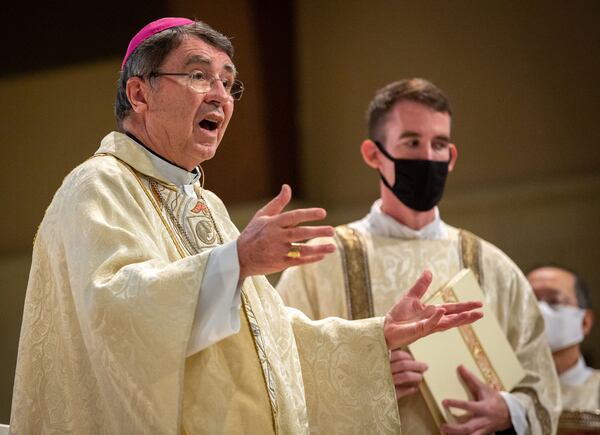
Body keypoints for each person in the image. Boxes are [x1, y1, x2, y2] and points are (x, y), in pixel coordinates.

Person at [9, 19, 483, 435]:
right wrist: (236, 260)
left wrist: (376, 336)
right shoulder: (96, 187)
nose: (220, 94)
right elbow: (115, 316)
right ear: (140, 93)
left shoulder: (206, 204)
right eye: (198, 75)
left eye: (228, 83)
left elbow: (271, 335)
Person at [277, 78, 561, 434]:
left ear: (451, 157)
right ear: (373, 153)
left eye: (439, 144)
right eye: (411, 142)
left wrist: (507, 412)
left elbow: (543, 388)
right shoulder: (319, 263)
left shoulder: (492, 265)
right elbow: (278, 377)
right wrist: (363, 386)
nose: (427, 157)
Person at [527, 264, 600, 411]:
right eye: (529, 301)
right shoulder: (505, 393)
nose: (538, 311)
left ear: (584, 322)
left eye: (554, 300)